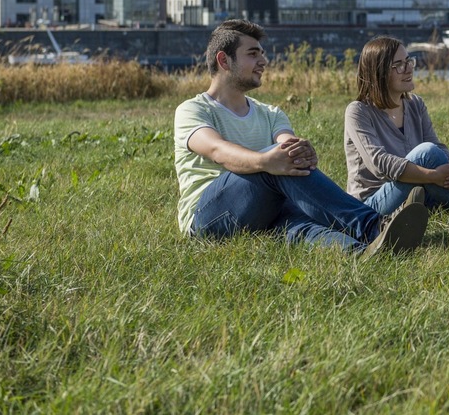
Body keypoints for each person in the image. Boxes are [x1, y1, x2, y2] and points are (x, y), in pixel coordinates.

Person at [173, 20, 428, 256]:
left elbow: (287, 147)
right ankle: (373, 225)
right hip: (210, 217)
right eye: (253, 54)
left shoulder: (271, 113)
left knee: (300, 226)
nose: (263, 60)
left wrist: (299, 152)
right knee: (276, 159)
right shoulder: (193, 110)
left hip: (266, 208)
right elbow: (217, 150)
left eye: (262, 53)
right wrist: (267, 161)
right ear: (224, 61)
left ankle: (364, 251)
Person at [344, 36, 449, 225]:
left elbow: (437, 144)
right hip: (374, 202)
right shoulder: (358, 111)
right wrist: (432, 175)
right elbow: (379, 163)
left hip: (421, 190)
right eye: (398, 65)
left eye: (408, 61)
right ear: (379, 72)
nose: (408, 69)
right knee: (426, 152)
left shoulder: (415, 104)